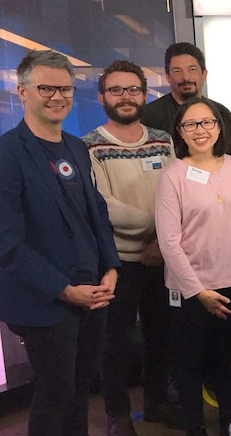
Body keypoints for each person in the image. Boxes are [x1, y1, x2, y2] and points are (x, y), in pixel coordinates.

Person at [0, 50, 120, 436]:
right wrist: (65, 291)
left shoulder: (75, 146)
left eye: (65, 88)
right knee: (55, 394)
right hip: (47, 300)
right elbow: (7, 242)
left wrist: (111, 268)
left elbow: (95, 213)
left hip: (93, 293)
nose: (58, 96)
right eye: (46, 87)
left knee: (80, 390)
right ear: (22, 92)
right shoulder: (7, 153)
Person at [82, 61, 178, 436]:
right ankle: (117, 414)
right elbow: (102, 205)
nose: (126, 97)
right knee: (115, 342)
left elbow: (176, 194)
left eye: (133, 90)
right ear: (102, 96)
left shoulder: (163, 139)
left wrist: (161, 240)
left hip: (161, 256)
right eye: (117, 90)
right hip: (116, 261)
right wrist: (158, 228)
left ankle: (156, 404)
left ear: (144, 94)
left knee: (161, 335)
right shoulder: (90, 145)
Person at [155, 98, 231, 436]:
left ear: (218, 127)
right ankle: (195, 428)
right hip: (191, 290)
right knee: (190, 365)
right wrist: (198, 291)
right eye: (191, 124)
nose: (200, 130)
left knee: (227, 362)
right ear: (180, 131)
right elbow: (169, 242)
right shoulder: (173, 175)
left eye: (207, 123)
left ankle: (230, 424)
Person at [141, 42, 231, 155]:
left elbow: (227, 160)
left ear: (204, 74)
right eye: (177, 71)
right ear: (168, 77)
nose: (185, 77)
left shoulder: (222, 114)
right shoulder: (149, 115)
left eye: (192, 69)